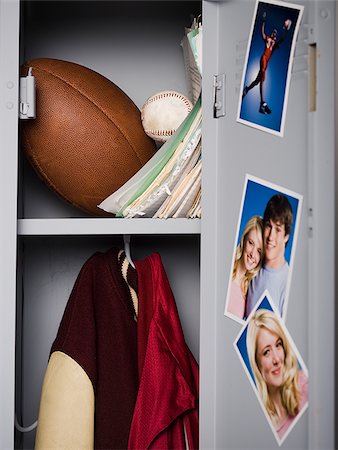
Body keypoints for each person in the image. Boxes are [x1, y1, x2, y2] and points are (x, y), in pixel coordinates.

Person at [246, 308, 308, 440]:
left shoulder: (305, 385)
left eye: (278, 345)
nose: (276, 359)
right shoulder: (258, 424)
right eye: (266, 352)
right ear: (257, 364)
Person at [245, 194, 293, 318]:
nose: (271, 237)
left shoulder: (288, 283)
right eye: (268, 226)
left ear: (286, 236)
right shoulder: (252, 269)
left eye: (277, 230)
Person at [242, 12, 290, 115]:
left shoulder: (274, 43)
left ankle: (247, 89)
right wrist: (263, 22)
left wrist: (286, 30)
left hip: (266, 62)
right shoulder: (268, 39)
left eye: (275, 34)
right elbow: (262, 33)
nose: (274, 34)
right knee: (263, 77)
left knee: (257, 81)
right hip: (263, 59)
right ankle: (262, 103)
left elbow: (282, 39)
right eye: (273, 33)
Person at [227, 216, 264, 320]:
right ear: (244, 240)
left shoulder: (251, 291)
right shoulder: (225, 268)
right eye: (251, 243)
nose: (253, 254)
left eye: (259, 251)